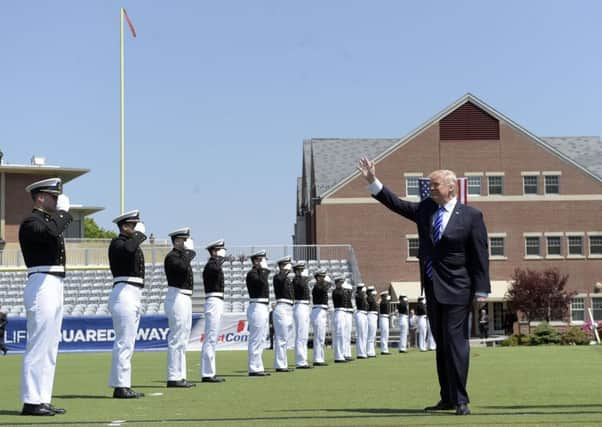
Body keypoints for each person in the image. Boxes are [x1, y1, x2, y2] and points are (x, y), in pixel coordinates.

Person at [358, 158, 490, 416]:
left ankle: (462, 399)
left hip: (458, 289)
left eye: (435, 184)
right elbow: (397, 205)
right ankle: (447, 397)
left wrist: (482, 290)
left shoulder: (472, 216)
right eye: (430, 184)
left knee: (455, 343)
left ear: (450, 188)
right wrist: (373, 181)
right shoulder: (427, 209)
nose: (430, 188)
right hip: (432, 287)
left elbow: (480, 254)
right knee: (441, 344)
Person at [18, 178, 71, 416]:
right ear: (40, 197)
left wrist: (58, 215)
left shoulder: (49, 222)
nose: (57, 200)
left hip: (55, 282)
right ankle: (31, 401)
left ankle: (42, 398)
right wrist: (62, 214)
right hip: (41, 282)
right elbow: (52, 231)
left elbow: (54, 229)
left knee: (50, 346)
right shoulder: (32, 222)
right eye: (53, 196)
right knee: (39, 344)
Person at [108, 210, 147, 399]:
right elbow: (129, 249)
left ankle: (123, 383)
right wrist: (139, 234)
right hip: (124, 291)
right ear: (124, 226)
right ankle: (120, 386)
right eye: (133, 225)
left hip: (133, 292)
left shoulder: (130, 243)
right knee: (124, 341)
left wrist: (137, 235)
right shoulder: (118, 243)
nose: (136, 228)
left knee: (128, 341)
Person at [163, 227, 196, 388]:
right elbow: (182, 268)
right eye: (184, 239)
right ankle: (173, 376)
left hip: (185, 297)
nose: (187, 242)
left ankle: (180, 375)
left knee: (183, 338)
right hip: (176, 297)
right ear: (177, 241)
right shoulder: (172, 257)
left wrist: (188, 254)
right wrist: (189, 252)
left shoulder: (182, 257)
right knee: (177, 338)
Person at [201, 239, 227, 383]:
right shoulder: (211, 265)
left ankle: (210, 371)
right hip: (213, 301)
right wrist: (219, 258)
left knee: (213, 337)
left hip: (217, 300)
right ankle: (207, 373)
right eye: (220, 249)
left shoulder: (214, 265)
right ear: (214, 251)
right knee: (210, 337)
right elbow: (215, 268)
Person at [246, 250, 271, 376]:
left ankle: (258, 366)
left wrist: (264, 270)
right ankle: (254, 368)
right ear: (256, 261)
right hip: (256, 306)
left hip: (263, 306)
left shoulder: (260, 273)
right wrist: (264, 270)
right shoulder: (252, 274)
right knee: (256, 338)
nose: (264, 261)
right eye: (261, 259)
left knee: (261, 338)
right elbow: (261, 283)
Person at [272, 256, 295, 372]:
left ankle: (283, 363)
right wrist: (284, 272)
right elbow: (280, 279)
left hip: (289, 308)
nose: (288, 266)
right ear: (281, 266)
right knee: (281, 338)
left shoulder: (287, 279)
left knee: (285, 338)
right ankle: (280, 365)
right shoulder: (278, 277)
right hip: (282, 307)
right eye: (286, 264)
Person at [292, 261, 312, 369]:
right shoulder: (296, 280)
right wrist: (304, 279)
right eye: (299, 270)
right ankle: (300, 361)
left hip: (305, 306)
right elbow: (299, 286)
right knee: (300, 335)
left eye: (302, 270)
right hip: (299, 305)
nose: (301, 271)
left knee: (304, 335)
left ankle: (303, 359)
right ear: (296, 271)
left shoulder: (302, 280)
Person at [310, 269, 329, 366]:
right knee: (319, 337)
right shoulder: (317, 286)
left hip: (321, 310)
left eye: (324, 277)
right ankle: (318, 359)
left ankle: (320, 358)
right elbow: (324, 288)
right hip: (318, 310)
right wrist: (326, 283)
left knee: (321, 337)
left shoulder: (321, 286)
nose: (323, 278)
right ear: (317, 278)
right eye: (322, 277)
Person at [331, 275, 347, 363]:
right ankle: (338, 356)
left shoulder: (342, 291)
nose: (341, 284)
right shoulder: (336, 291)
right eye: (340, 282)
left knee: (342, 335)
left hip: (343, 312)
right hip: (339, 312)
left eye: (342, 282)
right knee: (339, 335)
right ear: (336, 283)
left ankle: (341, 354)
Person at [354, 284, 368, 359]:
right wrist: (363, 294)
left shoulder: (363, 295)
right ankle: (360, 353)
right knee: (361, 334)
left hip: (364, 314)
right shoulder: (358, 295)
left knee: (364, 334)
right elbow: (361, 300)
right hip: (360, 313)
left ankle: (363, 352)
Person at [342, 280, 354, 361]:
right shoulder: (344, 298)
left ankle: (347, 353)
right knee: (345, 335)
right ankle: (344, 353)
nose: (350, 293)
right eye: (348, 291)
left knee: (347, 336)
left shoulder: (348, 299)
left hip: (348, 314)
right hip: (345, 314)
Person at [366, 285, 378, 358]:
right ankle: (369, 352)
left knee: (372, 335)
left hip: (374, 315)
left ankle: (371, 351)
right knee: (370, 335)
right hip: (371, 315)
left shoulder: (372, 298)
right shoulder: (369, 298)